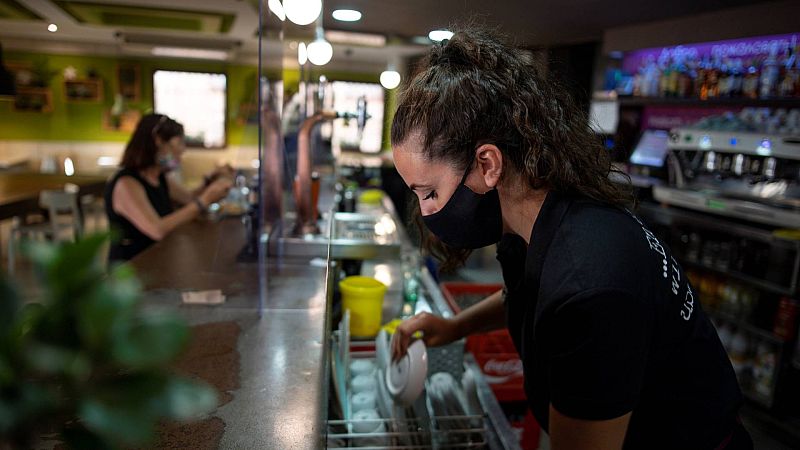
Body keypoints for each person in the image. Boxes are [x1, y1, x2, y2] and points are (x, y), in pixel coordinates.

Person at [389, 28, 752, 450]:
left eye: (430, 193)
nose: (427, 213)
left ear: (488, 164)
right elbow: (529, 293)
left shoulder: (588, 288)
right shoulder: (540, 216)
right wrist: (455, 326)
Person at [104, 113, 232, 262]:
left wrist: (209, 181)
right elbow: (156, 230)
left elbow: (190, 199)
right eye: (179, 143)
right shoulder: (126, 183)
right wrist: (204, 200)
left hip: (155, 261)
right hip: (129, 271)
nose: (183, 150)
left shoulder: (159, 178)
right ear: (158, 141)